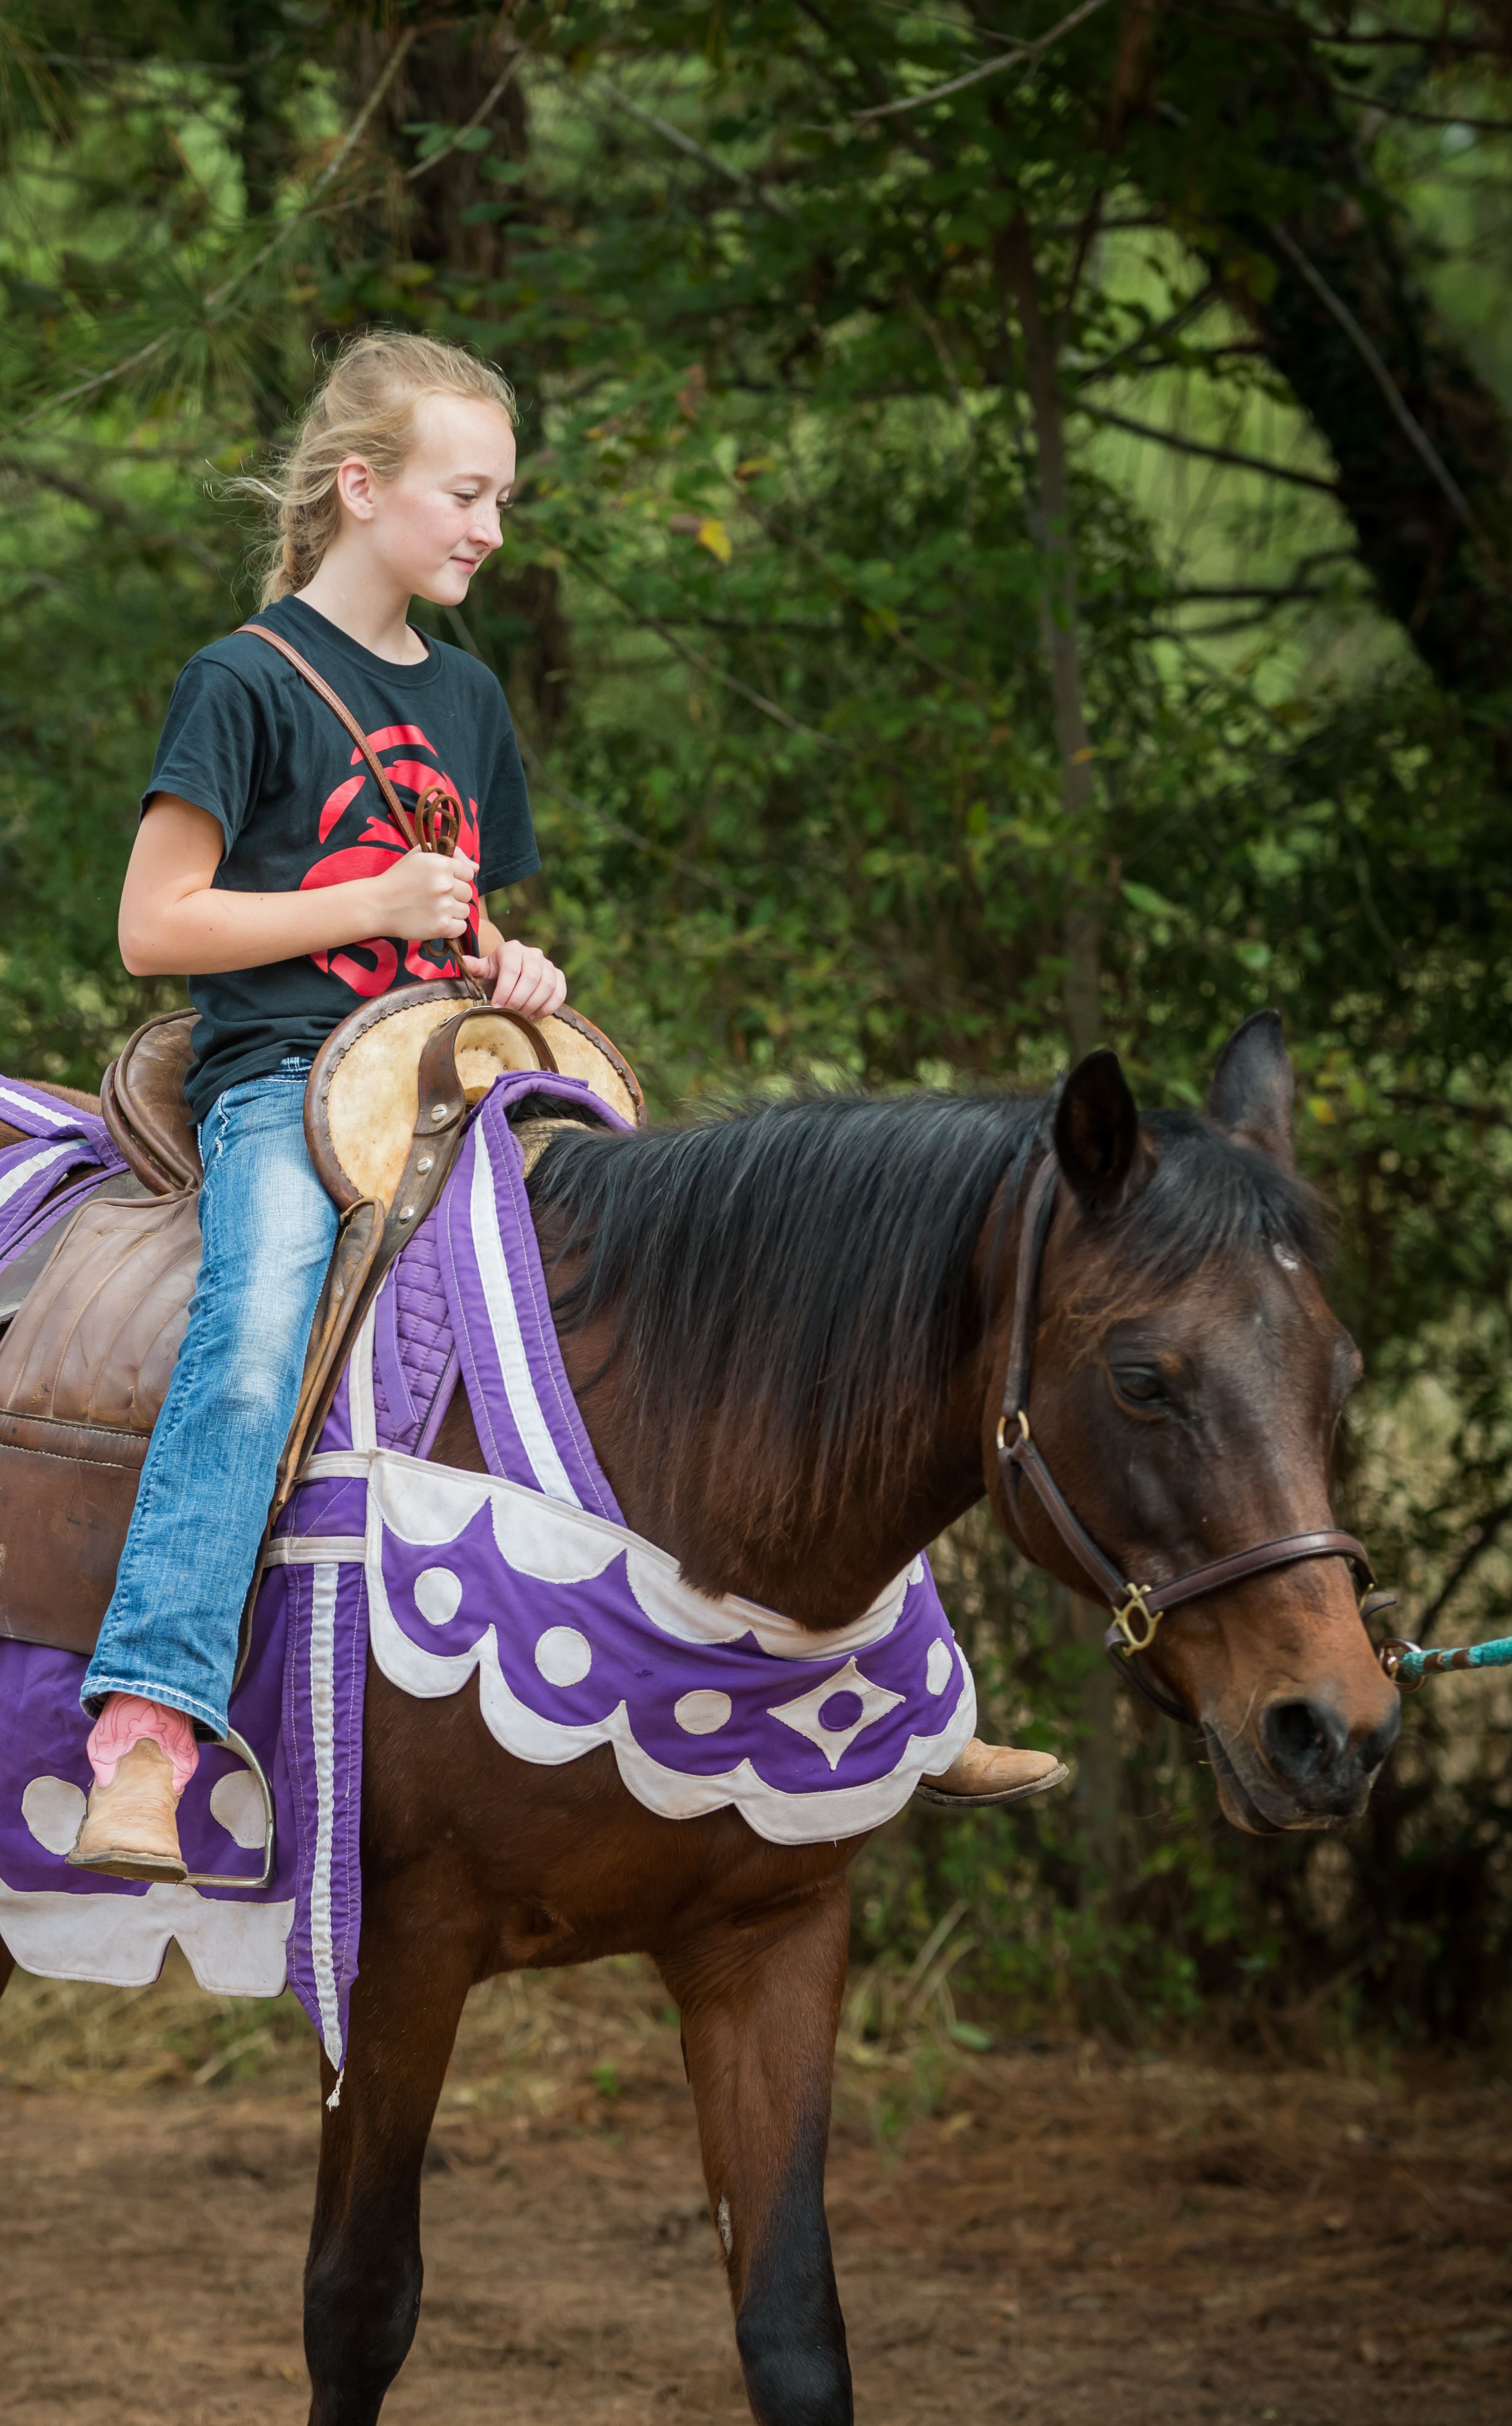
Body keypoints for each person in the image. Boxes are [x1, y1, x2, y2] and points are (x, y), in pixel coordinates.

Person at [71, 333, 1057, 1879]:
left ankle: (895, 1701)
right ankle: (148, 1728)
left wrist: (502, 958)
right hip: (285, 1084)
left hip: (457, 1076)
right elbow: (156, 928)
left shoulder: (465, 696)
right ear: (361, 487)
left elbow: (443, 922)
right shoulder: (243, 681)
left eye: (503, 499)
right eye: (466, 494)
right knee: (257, 1330)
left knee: (732, 1306)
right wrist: (368, 901)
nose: (491, 528)